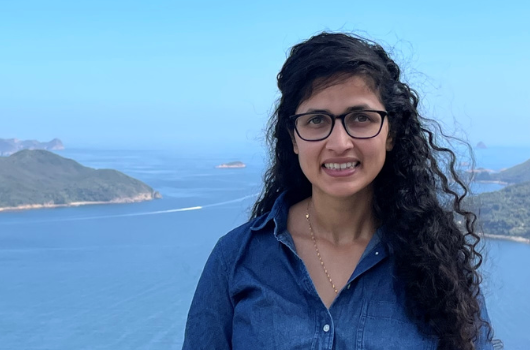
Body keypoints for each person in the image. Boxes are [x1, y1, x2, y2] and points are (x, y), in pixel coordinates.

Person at [183, 32, 495, 350]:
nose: (339, 143)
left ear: (391, 132)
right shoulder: (236, 258)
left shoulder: (438, 265)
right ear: (293, 137)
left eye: (360, 118)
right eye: (316, 120)